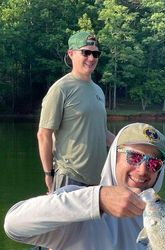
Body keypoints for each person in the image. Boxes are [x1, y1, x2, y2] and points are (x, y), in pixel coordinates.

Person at [4, 122, 165, 250]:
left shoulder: (158, 226)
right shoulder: (76, 204)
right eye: (134, 157)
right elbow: (13, 224)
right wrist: (97, 199)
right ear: (114, 156)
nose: (143, 169)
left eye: (154, 163)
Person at [37, 30, 115, 193]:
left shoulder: (98, 91)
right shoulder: (61, 89)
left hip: (98, 179)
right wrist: (48, 174)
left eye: (96, 54)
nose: (91, 58)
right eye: (86, 53)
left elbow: (103, 132)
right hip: (69, 177)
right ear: (71, 53)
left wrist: (129, 145)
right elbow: (44, 134)